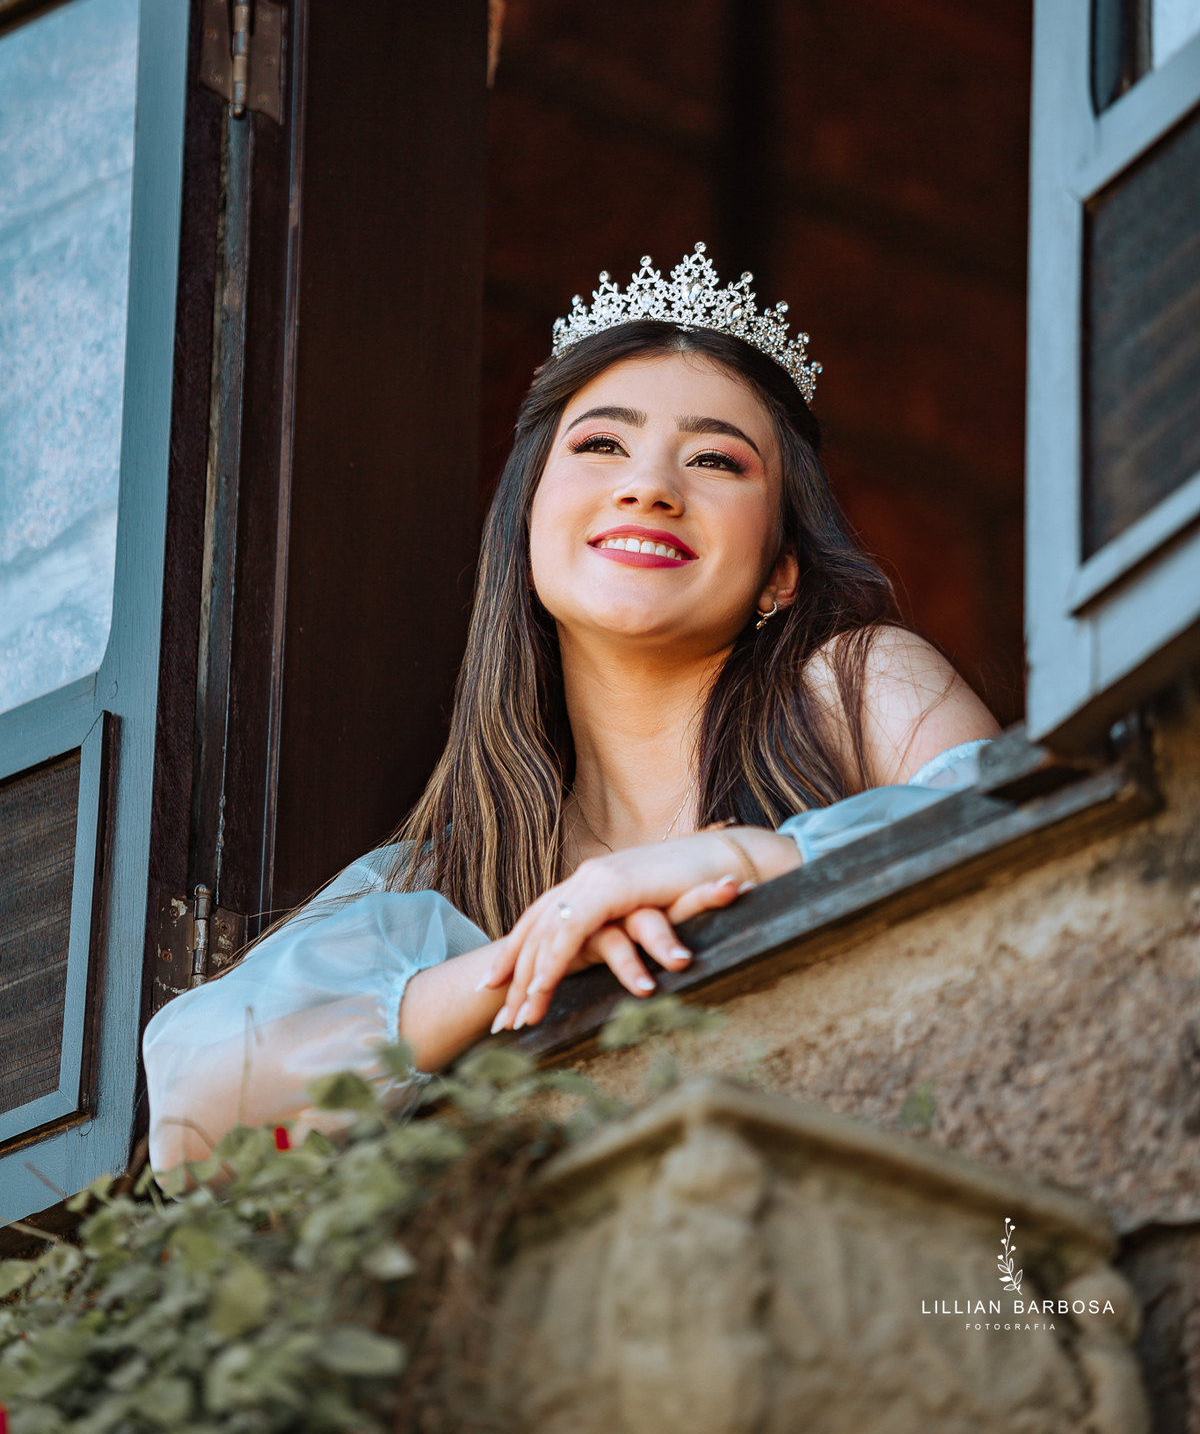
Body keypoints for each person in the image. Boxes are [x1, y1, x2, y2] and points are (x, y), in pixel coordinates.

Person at [144, 246, 998, 1169]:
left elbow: (1008, 835)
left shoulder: (858, 687)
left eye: (716, 459)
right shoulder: (442, 881)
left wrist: (744, 856)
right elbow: (196, 1119)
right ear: (527, 523)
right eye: (600, 444)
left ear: (780, 572)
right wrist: (525, 961)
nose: (650, 485)